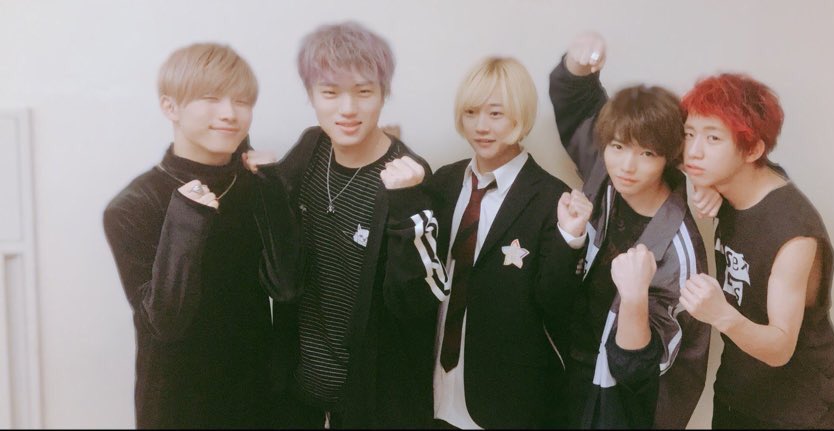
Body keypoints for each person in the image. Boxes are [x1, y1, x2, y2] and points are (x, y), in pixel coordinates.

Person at [379, 56, 590, 429]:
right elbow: (414, 276)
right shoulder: (442, 183)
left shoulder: (549, 197)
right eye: (471, 112)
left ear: (520, 115)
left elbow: (556, 306)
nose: (481, 127)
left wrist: (570, 238)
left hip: (505, 400)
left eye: (495, 114)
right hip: (432, 389)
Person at [103, 42, 297, 428]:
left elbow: (287, 286)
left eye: (242, 101)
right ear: (170, 107)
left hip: (258, 398)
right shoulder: (133, 205)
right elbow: (166, 322)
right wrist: (187, 217)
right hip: (178, 405)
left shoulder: (257, 185)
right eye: (210, 98)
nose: (229, 114)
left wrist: (272, 190)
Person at [256, 21, 434, 429]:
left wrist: (407, 209)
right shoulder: (310, 148)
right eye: (330, 92)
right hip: (298, 392)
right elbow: (281, 271)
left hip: (367, 403)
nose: (347, 109)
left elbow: (415, 305)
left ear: (384, 94)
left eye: (364, 92)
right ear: (311, 96)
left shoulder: (408, 179)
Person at [548, 32, 711, 429]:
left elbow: (639, 369)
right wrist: (578, 62)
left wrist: (635, 295)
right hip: (575, 364)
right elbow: (576, 102)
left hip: (631, 404)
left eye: (647, 153)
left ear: (668, 157)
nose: (627, 166)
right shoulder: (605, 171)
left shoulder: (680, 250)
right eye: (618, 147)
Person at [678, 72, 834, 429]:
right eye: (690, 134)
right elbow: (664, 151)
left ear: (753, 150)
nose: (693, 151)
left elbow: (780, 347)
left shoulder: (793, 232)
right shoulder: (730, 180)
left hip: (799, 412)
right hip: (738, 397)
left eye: (713, 138)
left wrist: (720, 314)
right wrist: (702, 186)